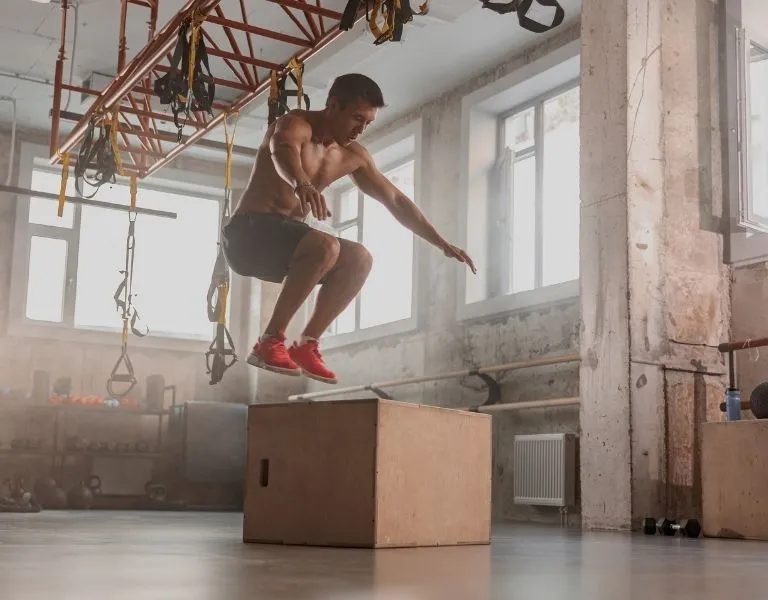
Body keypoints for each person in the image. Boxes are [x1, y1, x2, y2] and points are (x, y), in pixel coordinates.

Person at [222, 73, 476, 385]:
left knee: (360, 258)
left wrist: (439, 242)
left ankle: (306, 344)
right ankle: (269, 342)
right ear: (332, 105)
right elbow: (281, 149)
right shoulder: (294, 125)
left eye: (368, 122)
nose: (360, 129)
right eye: (356, 117)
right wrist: (300, 183)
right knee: (325, 245)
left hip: (285, 246)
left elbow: (395, 199)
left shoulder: (352, 156)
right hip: (248, 236)